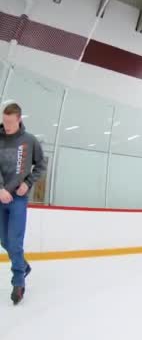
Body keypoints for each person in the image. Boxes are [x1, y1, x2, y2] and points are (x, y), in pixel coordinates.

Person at [0, 102, 47, 305]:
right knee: (4, 240)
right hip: (1, 196)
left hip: (18, 198)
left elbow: (41, 164)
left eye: (10, 122)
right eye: (4, 121)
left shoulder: (29, 141)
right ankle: (24, 265)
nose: (6, 125)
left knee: (15, 240)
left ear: (19, 119)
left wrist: (28, 184)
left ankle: (18, 281)